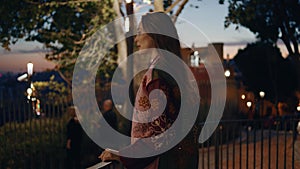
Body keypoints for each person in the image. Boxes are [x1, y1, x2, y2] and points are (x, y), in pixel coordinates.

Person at [99, 12, 199, 169]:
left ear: (155, 33)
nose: (136, 39)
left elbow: (160, 137)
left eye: (140, 32)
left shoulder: (158, 75)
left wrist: (121, 155)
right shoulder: (178, 70)